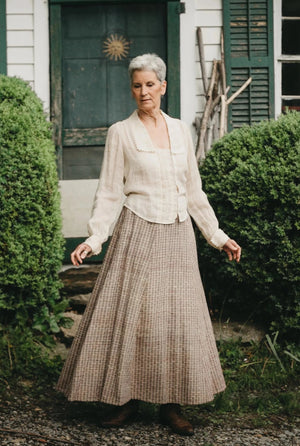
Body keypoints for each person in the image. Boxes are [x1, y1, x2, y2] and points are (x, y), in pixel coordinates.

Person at [56, 53, 241, 436]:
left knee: (175, 319)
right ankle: (125, 400)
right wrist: (94, 237)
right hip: (137, 230)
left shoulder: (179, 131)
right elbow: (109, 192)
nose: (144, 92)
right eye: (137, 85)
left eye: (150, 84)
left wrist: (217, 236)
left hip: (177, 235)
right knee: (134, 318)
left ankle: (170, 405)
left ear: (163, 86)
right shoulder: (121, 132)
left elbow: (193, 191)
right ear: (132, 89)